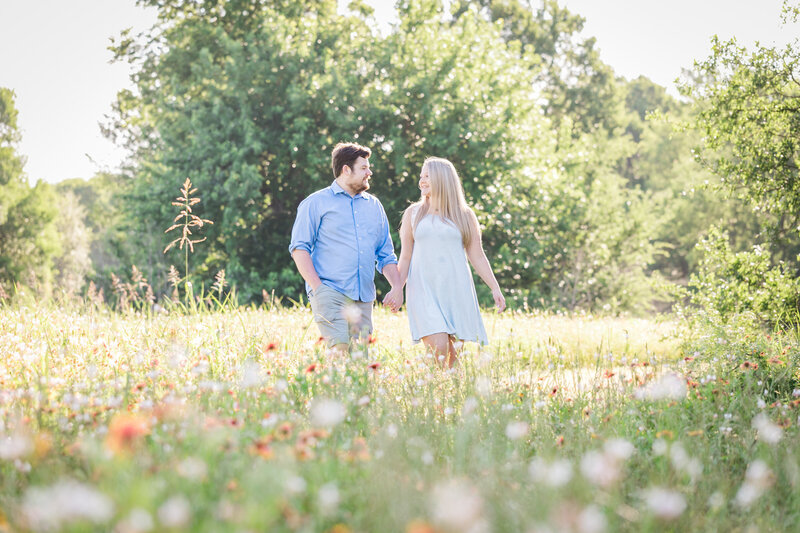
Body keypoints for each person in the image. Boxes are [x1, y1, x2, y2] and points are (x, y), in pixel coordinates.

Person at [383, 157, 505, 367]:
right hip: (423, 289)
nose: (421, 181)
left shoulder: (464, 215)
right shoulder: (413, 214)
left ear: (442, 179)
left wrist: (494, 287)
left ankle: (446, 397)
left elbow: (476, 255)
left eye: (427, 176)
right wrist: (397, 288)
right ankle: (432, 391)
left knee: (453, 358)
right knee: (438, 348)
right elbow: (406, 255)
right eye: (421, 176)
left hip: (456, 289)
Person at [289, 142, 402, 351]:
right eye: (364, 168)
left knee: (359, 362)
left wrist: (397, 287)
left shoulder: (374, 206)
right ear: (346, 169)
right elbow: (299, 248)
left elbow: (386, 254)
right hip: (330, 291)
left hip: (363, 297)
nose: (370, 172)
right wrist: (318, 288)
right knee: (339, 351)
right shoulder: (315, 203)